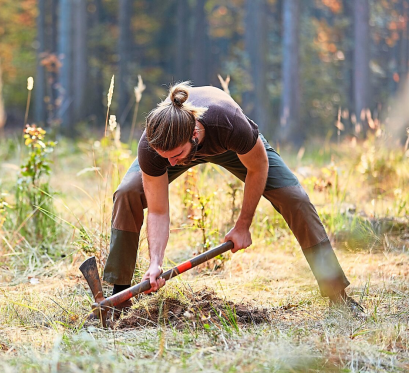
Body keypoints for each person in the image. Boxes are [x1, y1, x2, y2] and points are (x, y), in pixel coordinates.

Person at [102, 82, 364, 316]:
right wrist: (155, 263)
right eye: (164, 157)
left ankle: (336, 293)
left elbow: (258, 168)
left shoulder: (228, 123)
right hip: (184, 143)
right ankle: (120, 297)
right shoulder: (154, 146)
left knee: (294, 197)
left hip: (228, 145)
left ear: (193, 133)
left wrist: (243, 225)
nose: (170, 163)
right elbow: (158, 210)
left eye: (175, 155)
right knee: (127, 193)